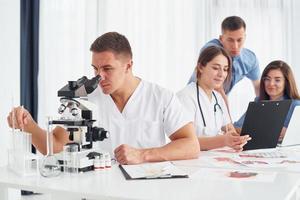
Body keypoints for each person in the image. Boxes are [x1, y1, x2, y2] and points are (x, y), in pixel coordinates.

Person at [7, 32, 200, 165]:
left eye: (107, 68)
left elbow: (191, 146)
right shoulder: (86, 99)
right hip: (99, 189)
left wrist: (143, 155)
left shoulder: (160, 97)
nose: (99, 76)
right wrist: (29, 125)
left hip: (146, 188)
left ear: (128, 66)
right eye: (95, 69)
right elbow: (55, 145)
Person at [177, 46, 250, 151]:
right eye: (216, 68)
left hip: (214, 158)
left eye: (225, 69)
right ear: (201, 67)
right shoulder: (185, 97)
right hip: (192, 161)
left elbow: (230, 130)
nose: (221, 74)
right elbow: (186, 142)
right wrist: (224, 141)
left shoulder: (218, 98)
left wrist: (238, 140)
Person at [188, 16, 260, 107]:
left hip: (216, 103)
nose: (235, 46)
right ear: (221, 39)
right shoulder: (211, 50)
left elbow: (258, 86)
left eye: (239, 40)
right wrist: (228, 120)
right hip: (195, 99)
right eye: (230, 40)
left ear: (245, 37)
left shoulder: (250, 59)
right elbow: (218, 89)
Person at [234, 60, 300, 142]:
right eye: (267, 79)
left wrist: (289, 132)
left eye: (277, 80)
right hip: (259, 149)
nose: (271, 84)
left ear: (286, 82)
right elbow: (236, 128)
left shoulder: (296, 105)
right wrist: (266, 131)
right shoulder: (258, 102)